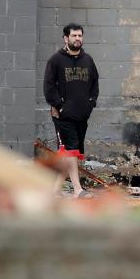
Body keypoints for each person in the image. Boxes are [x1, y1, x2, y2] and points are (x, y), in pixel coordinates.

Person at [43, 23, 99, 196]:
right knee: (71, 150)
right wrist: (60, 106)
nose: (77, 39)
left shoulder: (88, 60)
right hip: (62, 116)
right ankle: (77, 189)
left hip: (82, 115)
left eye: (80, 36)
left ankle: (55, 190)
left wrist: (91, 103)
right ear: (66, 38)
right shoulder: (56, 60)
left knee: (71, 153)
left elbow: (95, 83)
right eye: (74, 36)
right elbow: (48, 87)